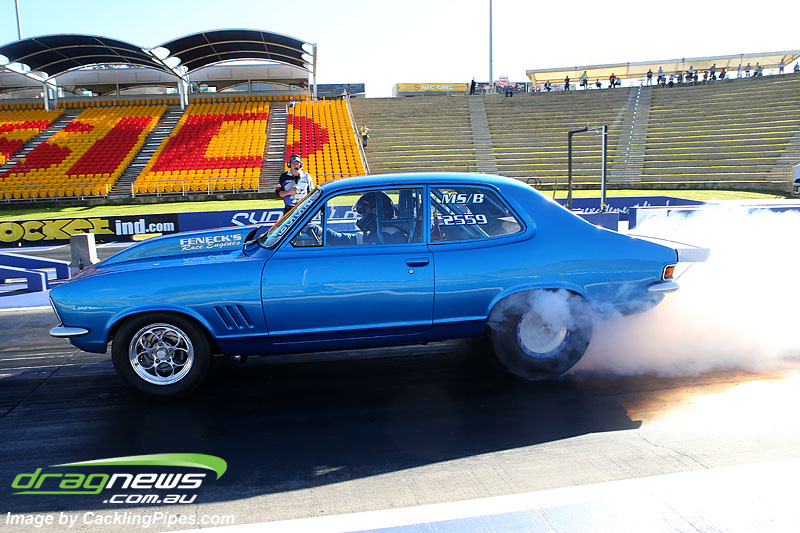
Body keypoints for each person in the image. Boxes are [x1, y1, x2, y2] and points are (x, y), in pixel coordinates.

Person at [310, 191, 407, 246]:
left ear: (375, 212)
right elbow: (347, 240)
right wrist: (321, 231)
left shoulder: (388, 236)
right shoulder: (375, 232)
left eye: (363, 212)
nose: (362, 216)